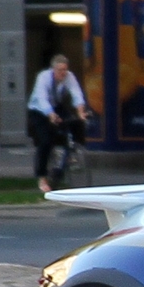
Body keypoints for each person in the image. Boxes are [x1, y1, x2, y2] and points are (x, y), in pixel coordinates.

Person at [27, 53, 89, 192]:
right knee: (45, 142)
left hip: (56, 106)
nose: (63, 73)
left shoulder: (69, 76)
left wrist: (80, 111)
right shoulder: (43, 78)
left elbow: (76, 93)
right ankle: (42, 178)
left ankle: (71, 151)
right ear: (53, 70)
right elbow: (42, 99)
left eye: (65, 69)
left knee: (75, 123)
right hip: (39, 110)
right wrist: (50, 114)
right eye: (60, 70)